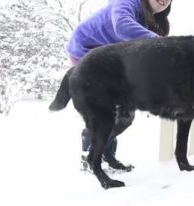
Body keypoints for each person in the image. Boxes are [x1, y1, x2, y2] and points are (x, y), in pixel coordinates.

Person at [66, 0, 172, 172]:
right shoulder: (127, 2)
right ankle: (89, 156)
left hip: (109, 59)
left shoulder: (150, 20)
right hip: (86, 53)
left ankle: (105, 155)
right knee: (112, 111)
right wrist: (160, 43)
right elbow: (122, 26)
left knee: (124, 114)